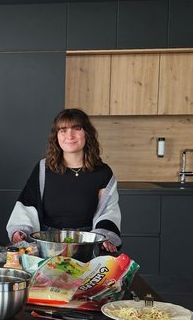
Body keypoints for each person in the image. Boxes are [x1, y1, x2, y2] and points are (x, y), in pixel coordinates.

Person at [6, 108, 121, 252]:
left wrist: (105, 236)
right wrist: (20, 231)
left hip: (86, 245)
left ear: (87, 133)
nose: (69, 135)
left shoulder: (103, 172)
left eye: (76, 128)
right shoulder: (43, 168)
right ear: (56, 136)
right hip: (47, 245)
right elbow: (27, 204)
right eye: (63, 130)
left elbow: (108, 211)